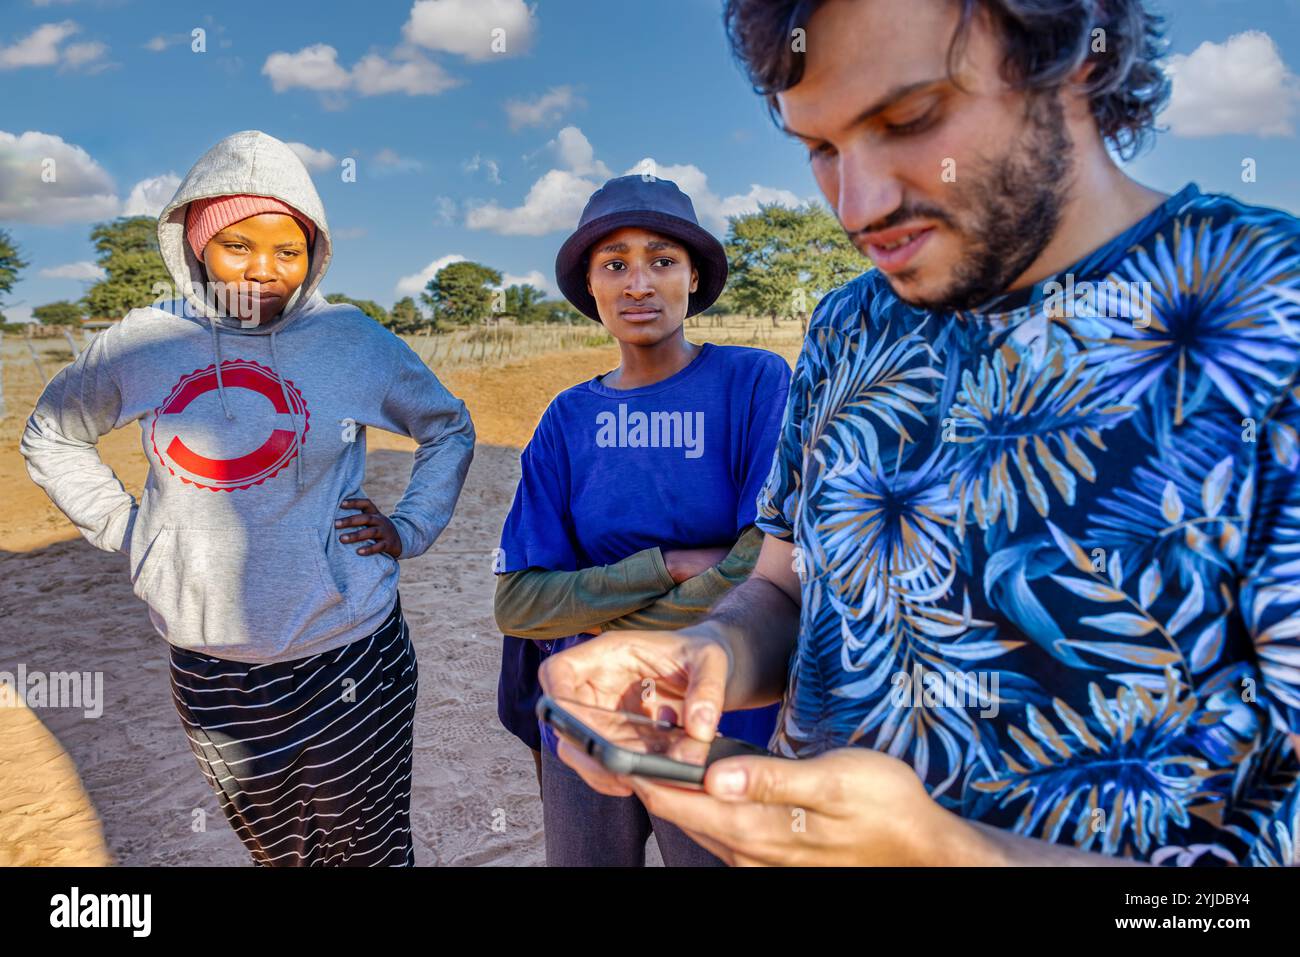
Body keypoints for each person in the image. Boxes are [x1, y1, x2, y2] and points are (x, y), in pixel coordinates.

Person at [540, 0, 1300, 866]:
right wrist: (705, 652)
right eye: (819, 148)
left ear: (1073, 60)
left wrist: (952, 854)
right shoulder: (848, 327)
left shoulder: (1273, 318)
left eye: (908, 119)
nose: (857, 207)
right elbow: (788, 589)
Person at [21, 130, 475, 866]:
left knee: (371, 853)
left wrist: (411, 524)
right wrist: (129, 531)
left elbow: (448, 426)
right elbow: (51, 433)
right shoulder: (145, 341)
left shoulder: (348, 339)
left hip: (351, 648)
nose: (265, 271)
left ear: (313, 255)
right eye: (239, 245)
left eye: (288, 252)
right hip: (210, 667)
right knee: (280, 855)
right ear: (198, 243)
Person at [494, 174, 790, 866]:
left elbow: (762, 563)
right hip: (583, 710)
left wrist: (603, 617)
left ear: (694, 278)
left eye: (662, 260)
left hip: (719, 715)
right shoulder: (567, 419)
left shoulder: (754, 383)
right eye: (615, 264)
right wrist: (670, 565)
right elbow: (519, 601)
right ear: (589, 287)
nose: (638, 283)